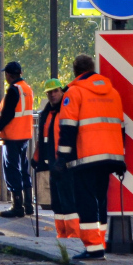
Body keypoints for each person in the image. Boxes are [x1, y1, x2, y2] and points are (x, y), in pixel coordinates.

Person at [59, 53, 126, 261]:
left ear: (75, 71)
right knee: (101, 200)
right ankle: (100, 242)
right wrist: (120, 157)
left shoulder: (74, 92)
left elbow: (68, 128)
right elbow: (120, 127)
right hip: (109, 157)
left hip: (85, 157)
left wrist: (62, 158)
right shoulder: (113, 92)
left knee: (85, 201)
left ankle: (93, 248)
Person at [33, 78, 80, 240]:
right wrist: (37, 158)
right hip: (53, 164)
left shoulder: (66, 110)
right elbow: (43, 139)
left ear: (62, 91)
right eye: (49, 92)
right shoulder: (47, 113)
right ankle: (62, 234)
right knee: (57, 202)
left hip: (67, 163)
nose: (52, 95)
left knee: (68, 200)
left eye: (55, 91)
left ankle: (74, 235)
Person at [0, 61, 35, 218]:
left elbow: (8, 113)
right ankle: (28, 205)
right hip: (25, 135)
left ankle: (17, 206)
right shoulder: (27, 88)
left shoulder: (13, 89)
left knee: (11, 170)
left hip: (12, 135)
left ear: (9, 75)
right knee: (24, 169)